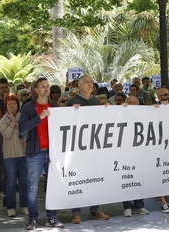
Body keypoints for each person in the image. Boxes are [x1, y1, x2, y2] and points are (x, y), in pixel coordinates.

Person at [19, 77, 64, 230]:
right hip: (35, 153)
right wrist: (40, 118)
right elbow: (21, 128)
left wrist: (74, 109)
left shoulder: (55, 107)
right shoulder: (28, 107)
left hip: (52, 153)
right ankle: (32, 218)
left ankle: (51, 216)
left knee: (52, 186)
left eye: (47, 86)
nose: (46, 88)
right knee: (32, 187)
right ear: (36, 90)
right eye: (43, 86)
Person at [66, 75, 110, 224]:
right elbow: (66, 124)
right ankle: (76, 212)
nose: (90, 84)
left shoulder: (96, 101)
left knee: (95, 178)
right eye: (86, 82)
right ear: (79, 86)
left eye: (91, 82)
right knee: (77, 179)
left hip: (93, 147)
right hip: (78, 148)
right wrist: (71, 113)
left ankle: (95, 210)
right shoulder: (72, 102)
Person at [0, 95, 28, 217]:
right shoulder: (3, 120)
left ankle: (24, 205)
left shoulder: (24, 119)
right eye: (9, 104)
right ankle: (10, 207)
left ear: (18, 105)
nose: (12, 106)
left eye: (14, 104)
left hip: (23, 155)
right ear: (6, 106)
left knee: (24, 182)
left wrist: (17, 122)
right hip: (9, 156)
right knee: (11, 182)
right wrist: (13, 122)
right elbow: (6, 135)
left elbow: (27, 135)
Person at [121, 95, 150, 217]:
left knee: (139, 178)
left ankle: (139, 205)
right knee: (126, 178)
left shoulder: (144, 114)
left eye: (134, 102)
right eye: (130, 102)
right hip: (124, 152)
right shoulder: (121, 114)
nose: (132, 104)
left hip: (139, 151)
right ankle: (127, 206)